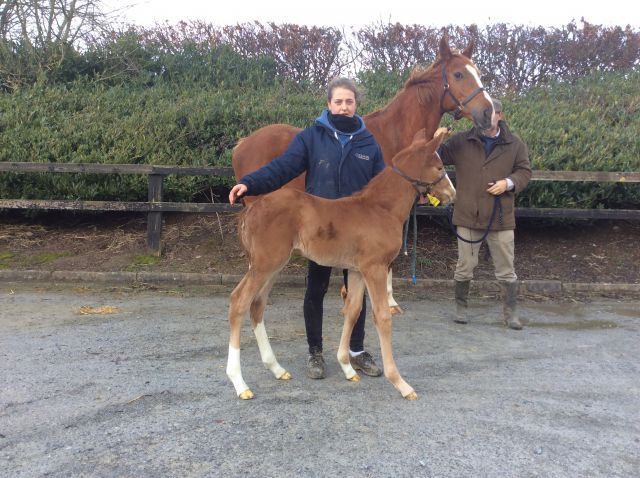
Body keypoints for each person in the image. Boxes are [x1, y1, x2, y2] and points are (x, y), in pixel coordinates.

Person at [228, 77, 385, 378]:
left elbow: (381, 186)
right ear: (328, 104)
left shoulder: (368, 142)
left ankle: (356, 350)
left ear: (356, 105)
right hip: (321, 228)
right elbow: (283, 167)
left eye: (349, 101)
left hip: (357, 230)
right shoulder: (313, 137)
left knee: (358, 288)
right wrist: (250, 183)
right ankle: (316, 352)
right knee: (316, 287)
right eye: (338, 101)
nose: (343, 106)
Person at [438, 98, 532, 330]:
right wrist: (437, 137)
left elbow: (524, 171)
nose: (483, 117)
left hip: (500, 217)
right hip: (468, 215)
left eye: (488, 113)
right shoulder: (460, 141)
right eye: (480, 112)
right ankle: (461, 308)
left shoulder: (515, 144)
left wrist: (508, 183)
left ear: (499, 115)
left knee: (506, 270)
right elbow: (434, 157)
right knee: (465, 266)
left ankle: (510, 314)